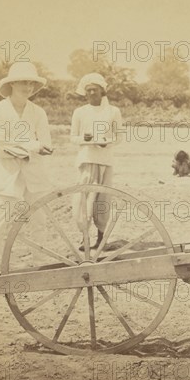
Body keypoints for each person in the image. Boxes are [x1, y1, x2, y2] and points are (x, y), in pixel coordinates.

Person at [0, 62, 53, 277]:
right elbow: (0, 147)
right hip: (7, 176)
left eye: (31, 83)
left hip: (34, 175)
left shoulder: (38, 112)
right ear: (11, 84)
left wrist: (23, 147)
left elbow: (46, 145)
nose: (28, 87)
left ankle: (40, 265)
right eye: (23, 82)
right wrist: (32, 145)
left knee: (39, 221)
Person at [70, 73, 122, 250]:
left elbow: (119, 136)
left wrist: (106, 141)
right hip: (86, 159)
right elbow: (73, 137)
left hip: (105, 160)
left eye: (95, 90)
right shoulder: (80, 112)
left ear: (102, 91)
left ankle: (101, 238)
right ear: (85, 93)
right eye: (88, 90)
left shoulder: (113, 111)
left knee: (103, 199)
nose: (92, 93)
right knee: (84, 198)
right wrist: (84, 138)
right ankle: (84, 237)